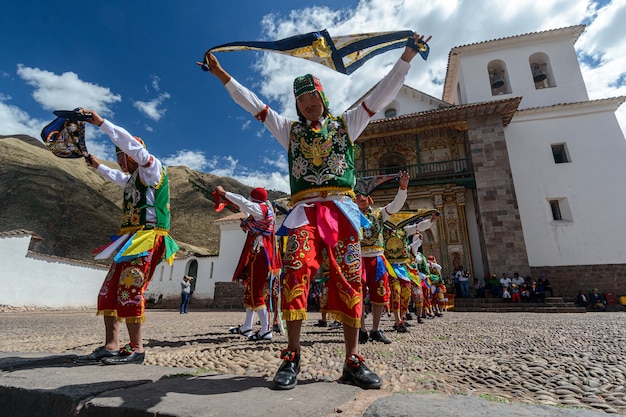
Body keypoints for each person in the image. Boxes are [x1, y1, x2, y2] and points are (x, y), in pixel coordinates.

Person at [203, 31, 431, 390]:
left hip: (342, 212)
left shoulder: (347, 124)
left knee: (350, 278)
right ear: (296, 105)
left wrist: (406, 57)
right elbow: (254, 105)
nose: (308, 101)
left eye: (313, 94)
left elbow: (381, 92)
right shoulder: (289, 131)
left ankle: (352, 360)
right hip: (304, 214)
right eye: (301, 97)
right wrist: (223, 76)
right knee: (295, 271)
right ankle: (291, 356)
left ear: (323, 97)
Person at [74, 109, 178, 365]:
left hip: (148, 238)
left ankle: (136, 348)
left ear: (133, 153)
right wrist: (95, 163)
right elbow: (116, 177)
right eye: (118, 156)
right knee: (108, 292)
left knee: (130, 290)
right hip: (130, 240)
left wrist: (100, 123)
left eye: (122, 154)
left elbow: (129, 143)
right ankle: (111, 345)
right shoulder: (133, 179)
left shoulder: (152, 169)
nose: (120, 160)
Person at [216, 185, 282, 341]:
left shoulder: (260, 211)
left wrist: (224, 193)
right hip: (257, 254)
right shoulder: (264, 210)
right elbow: (243, 206)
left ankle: (266, 329)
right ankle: (247, 326)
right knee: (251, 289)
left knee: (256, 291)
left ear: (255, 200)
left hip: (260, 255)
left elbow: (243, 203)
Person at [355, 171, 410, 344]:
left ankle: (376, 329)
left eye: (363, 195)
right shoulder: (351, 216)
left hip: (377, 258)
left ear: (369, 199)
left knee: (380, 293)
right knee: (358, 293)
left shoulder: (380, 213)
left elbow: (396, 205)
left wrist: (402, 188)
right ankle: (361, 330)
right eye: (357, 196)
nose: (361, 197)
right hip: (358, 258)